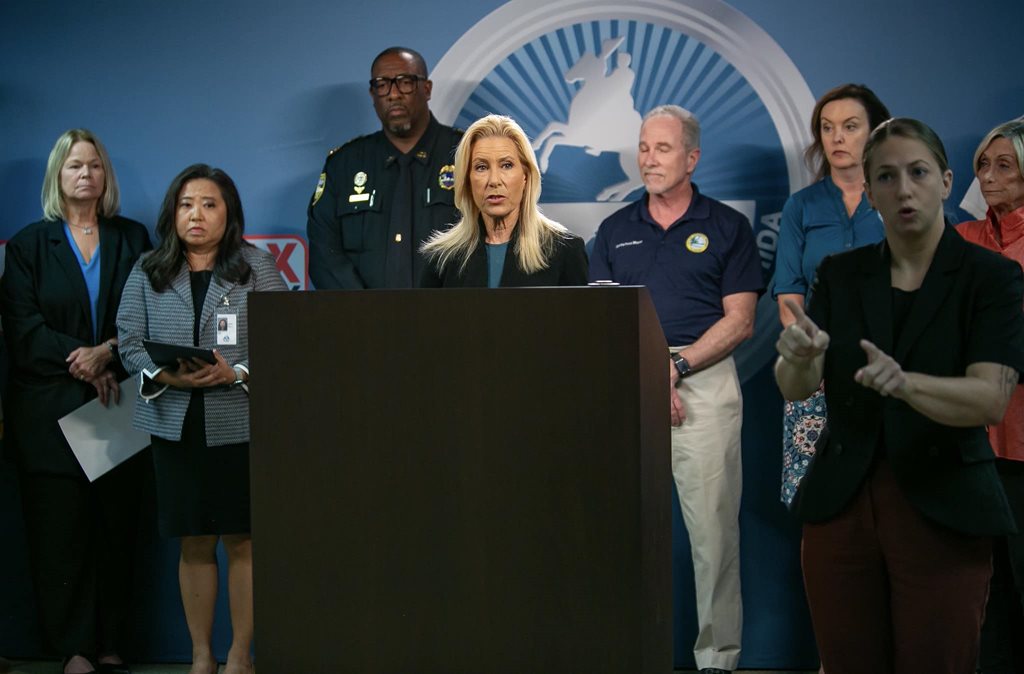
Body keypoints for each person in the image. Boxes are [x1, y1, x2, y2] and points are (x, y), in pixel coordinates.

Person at [775, 118, 1024, 674]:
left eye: (917, 172)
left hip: (944, 501)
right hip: (841, 505)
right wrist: (797, 360)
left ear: (945, 180)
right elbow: (796, 388)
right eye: (885, 177)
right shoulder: (840, 274)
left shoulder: (991, 278)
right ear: (870, 191)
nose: (903, 189)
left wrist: (906, 384)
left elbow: (989, 399)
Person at [589, 105, 762, 674]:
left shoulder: (727, 227)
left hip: (704, 383)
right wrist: (645, 373)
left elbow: (739, 320)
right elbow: (601, 320)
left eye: (662, 149)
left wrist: (677, 367)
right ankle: (619, 653)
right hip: (626, 380)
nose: (649, 159)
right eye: (643, 147)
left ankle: (717, 661)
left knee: (714, 536)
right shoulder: (615, 230)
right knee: (612, 530)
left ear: (692, 157)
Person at [116, 164, 287, 674]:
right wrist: (164, 377)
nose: (197, 214)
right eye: (187, 203)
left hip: (238, 425)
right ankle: (199, 656)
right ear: (173, 212)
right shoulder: (149, 269)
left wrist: (238, 373)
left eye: (210, 204)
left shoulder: (256, 267)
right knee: (193, 542)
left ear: (229, 213)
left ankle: (240, 655)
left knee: (241, 539)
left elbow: (284, 341)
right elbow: (127, 341)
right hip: (175, 426)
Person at [0, 129, 151, 674]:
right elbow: (24, 330)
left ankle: (110, 642)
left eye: (93, 165)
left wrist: (107, 352)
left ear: (105, 176)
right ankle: (74, 649)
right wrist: (82, 360)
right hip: (49, 414)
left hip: (116, 407)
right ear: (57, 178)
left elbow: (147, 316)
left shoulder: (134, 239)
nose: (84, 174)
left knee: (115, 531)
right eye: (73, 167)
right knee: (59, 538)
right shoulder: (27, 246)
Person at [774, 84, 891, 505]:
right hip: (817, 375)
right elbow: (789, 295)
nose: (837, 137)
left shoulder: (902, 200)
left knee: (891, 498)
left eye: (850, 126)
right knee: (820, 500)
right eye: (827, 128)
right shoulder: (801, 206)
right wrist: (812, 358)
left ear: (876, 132)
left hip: (889, 371)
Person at [955, 118, 1024, 674]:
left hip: (1022, 435)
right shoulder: (963, 239)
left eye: (1005, 165)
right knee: (984, 584)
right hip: (974, 443)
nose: (990, 176)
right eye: (984, 164)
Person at [307, 46, 463, 289]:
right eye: (382, 84)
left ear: (427, 88)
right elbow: (324, 253)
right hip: (360, 321)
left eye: (405, 82)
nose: (393, 94)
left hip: (451, 319)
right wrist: (366, 315)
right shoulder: (344, 165)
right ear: (372, 94)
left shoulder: (467, 155)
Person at [420, 114, 588, 287]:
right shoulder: (441, 258)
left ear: (526, 176)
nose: (494, 180)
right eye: (481, 167)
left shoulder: (565, 251)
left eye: (506, 165)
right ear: (467, 179)